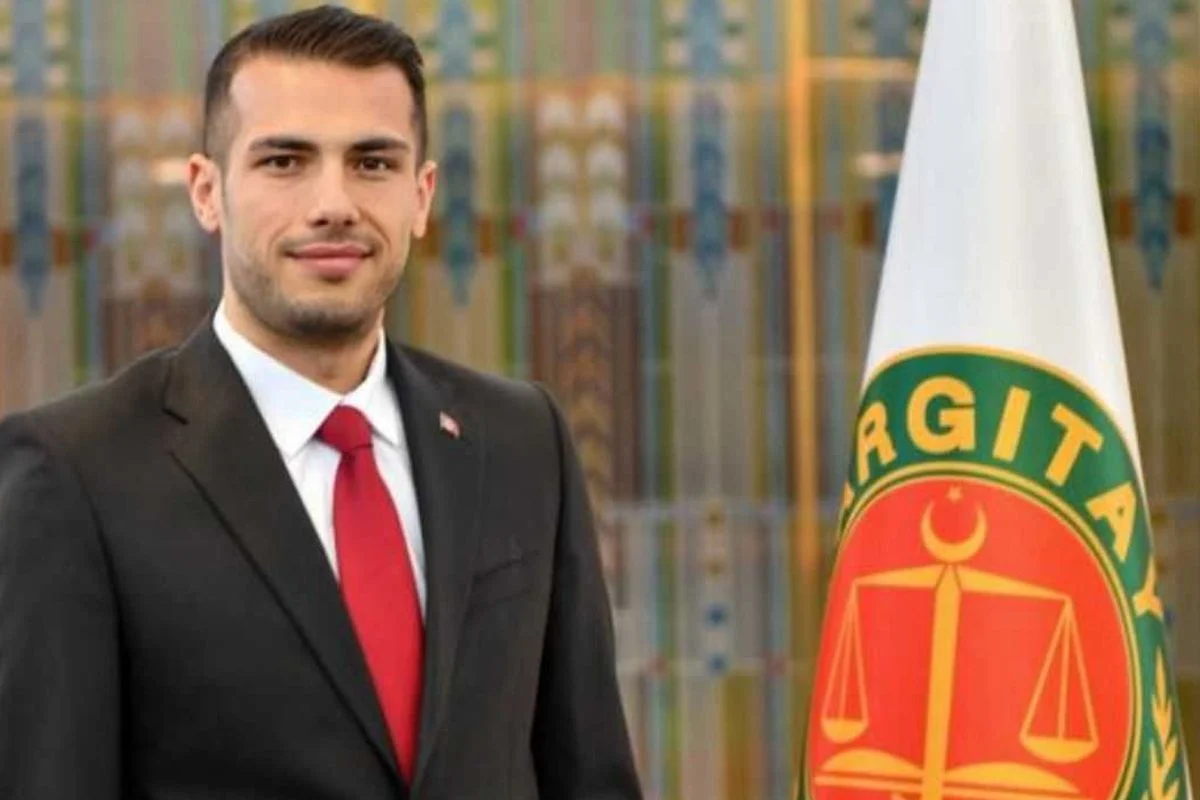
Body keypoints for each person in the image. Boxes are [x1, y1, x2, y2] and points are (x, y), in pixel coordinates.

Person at [0, 5, 641, 799]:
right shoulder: (76, 471)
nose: (333, 202)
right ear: (206, 191)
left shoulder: (521, 440)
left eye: (372, 162)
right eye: (285, 161)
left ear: (421, 194)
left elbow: (589, 772)